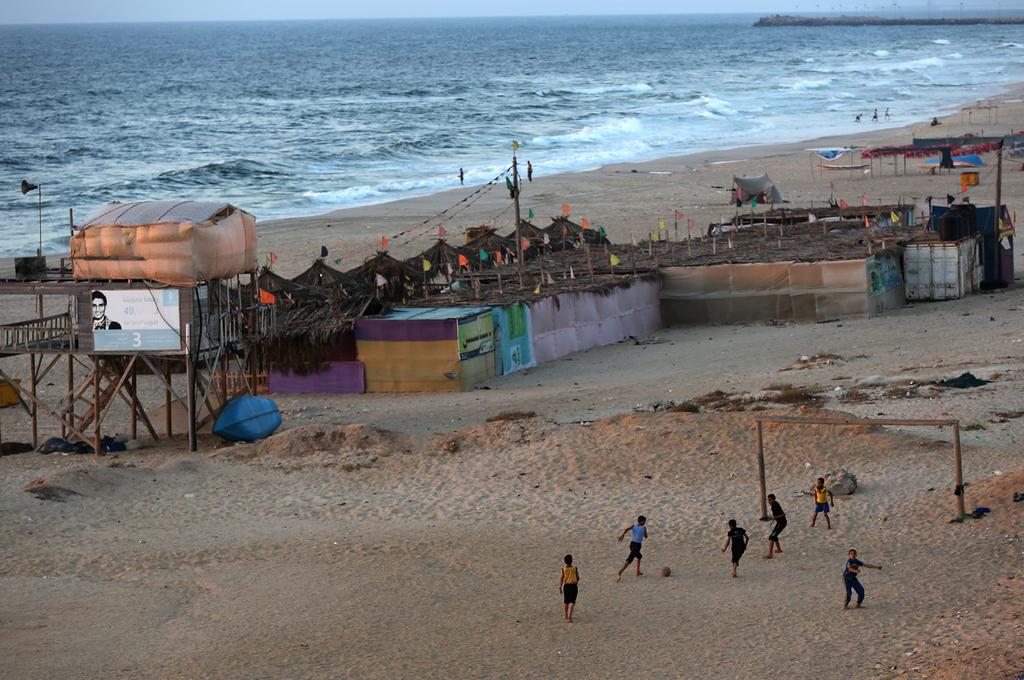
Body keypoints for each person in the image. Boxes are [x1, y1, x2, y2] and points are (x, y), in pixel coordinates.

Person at [616, 515, 648, 581]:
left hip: (632, 545)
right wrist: (644, 532)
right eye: (644, 521)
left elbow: (626, 529)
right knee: (630, 559)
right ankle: (620, 572)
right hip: (636, 546)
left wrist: (622, 535)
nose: (645, 522)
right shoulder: (644, 528)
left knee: (639, 557)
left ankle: (638, 572)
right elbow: (646, 536)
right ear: (641, 521)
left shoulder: (634, 526)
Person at [764, 494, 786, 559]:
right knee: (774, 536)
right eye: (768, 500)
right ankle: (779, 549)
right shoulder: (774, 504)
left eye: (770, 500)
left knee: (772, 537)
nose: (769, 501)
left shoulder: (775, 505)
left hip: (782, 523)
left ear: (774, 499)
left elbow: (782, 514)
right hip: (779, 523)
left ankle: (770, 554)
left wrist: (774, 518)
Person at [559, 554, 579, 622]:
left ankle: (566, 616)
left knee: (566, 601)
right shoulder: (575, 568)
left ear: (565, 561)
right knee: (572, 602)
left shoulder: (563, 569)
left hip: (566, 586)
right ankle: (570, 617)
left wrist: (560, 587)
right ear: (571, 561)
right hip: (573, 586)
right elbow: (577, 577)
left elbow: (561, 578)